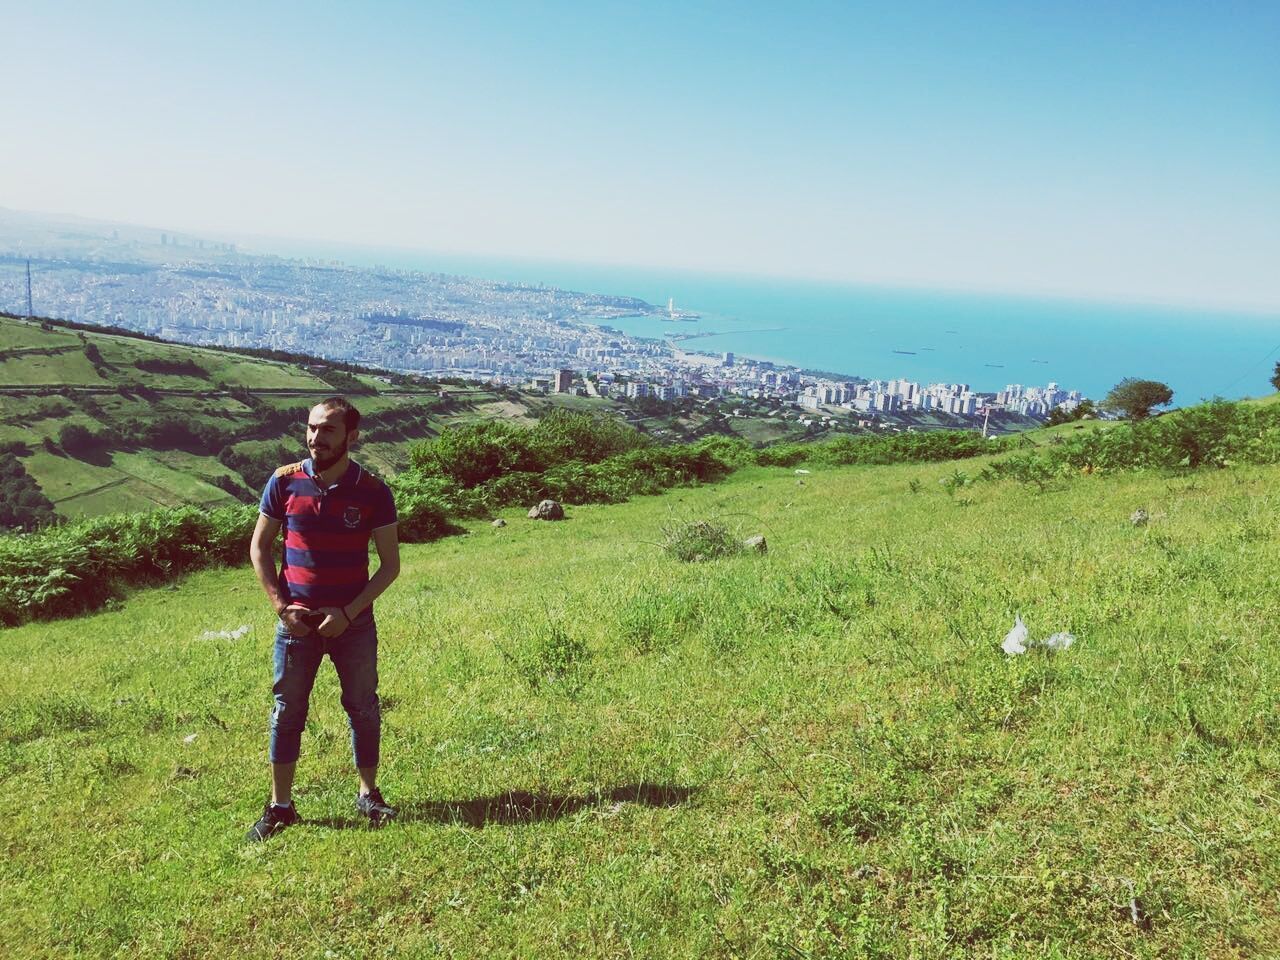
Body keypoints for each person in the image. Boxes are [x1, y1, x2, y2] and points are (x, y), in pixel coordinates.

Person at [246, 396, 401, 841]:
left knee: (363, 708)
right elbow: (259, 548)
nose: (316, 437)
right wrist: (281, 606)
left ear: (352, 436)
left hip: (353, 625)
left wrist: (348, 612)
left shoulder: (373, 491)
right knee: (287, 711)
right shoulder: (284, 482)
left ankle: (369, 795)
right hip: (295, 623)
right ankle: (280, 806)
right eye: (312, 428)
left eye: (328, 430)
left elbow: (389, 566)